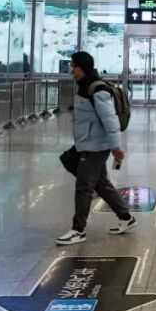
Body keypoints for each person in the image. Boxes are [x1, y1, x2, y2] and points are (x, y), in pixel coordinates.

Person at [56, 51, 136, 245]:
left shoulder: (97, 89)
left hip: (96, 145)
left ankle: (78, 230)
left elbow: (110, 120)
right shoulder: (84, 86)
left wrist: (115, 147)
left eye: (73, 66)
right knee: (100, 183)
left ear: (80, 67)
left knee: (84, 186)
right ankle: (126, 217)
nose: (71, 69)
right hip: (87, 142)